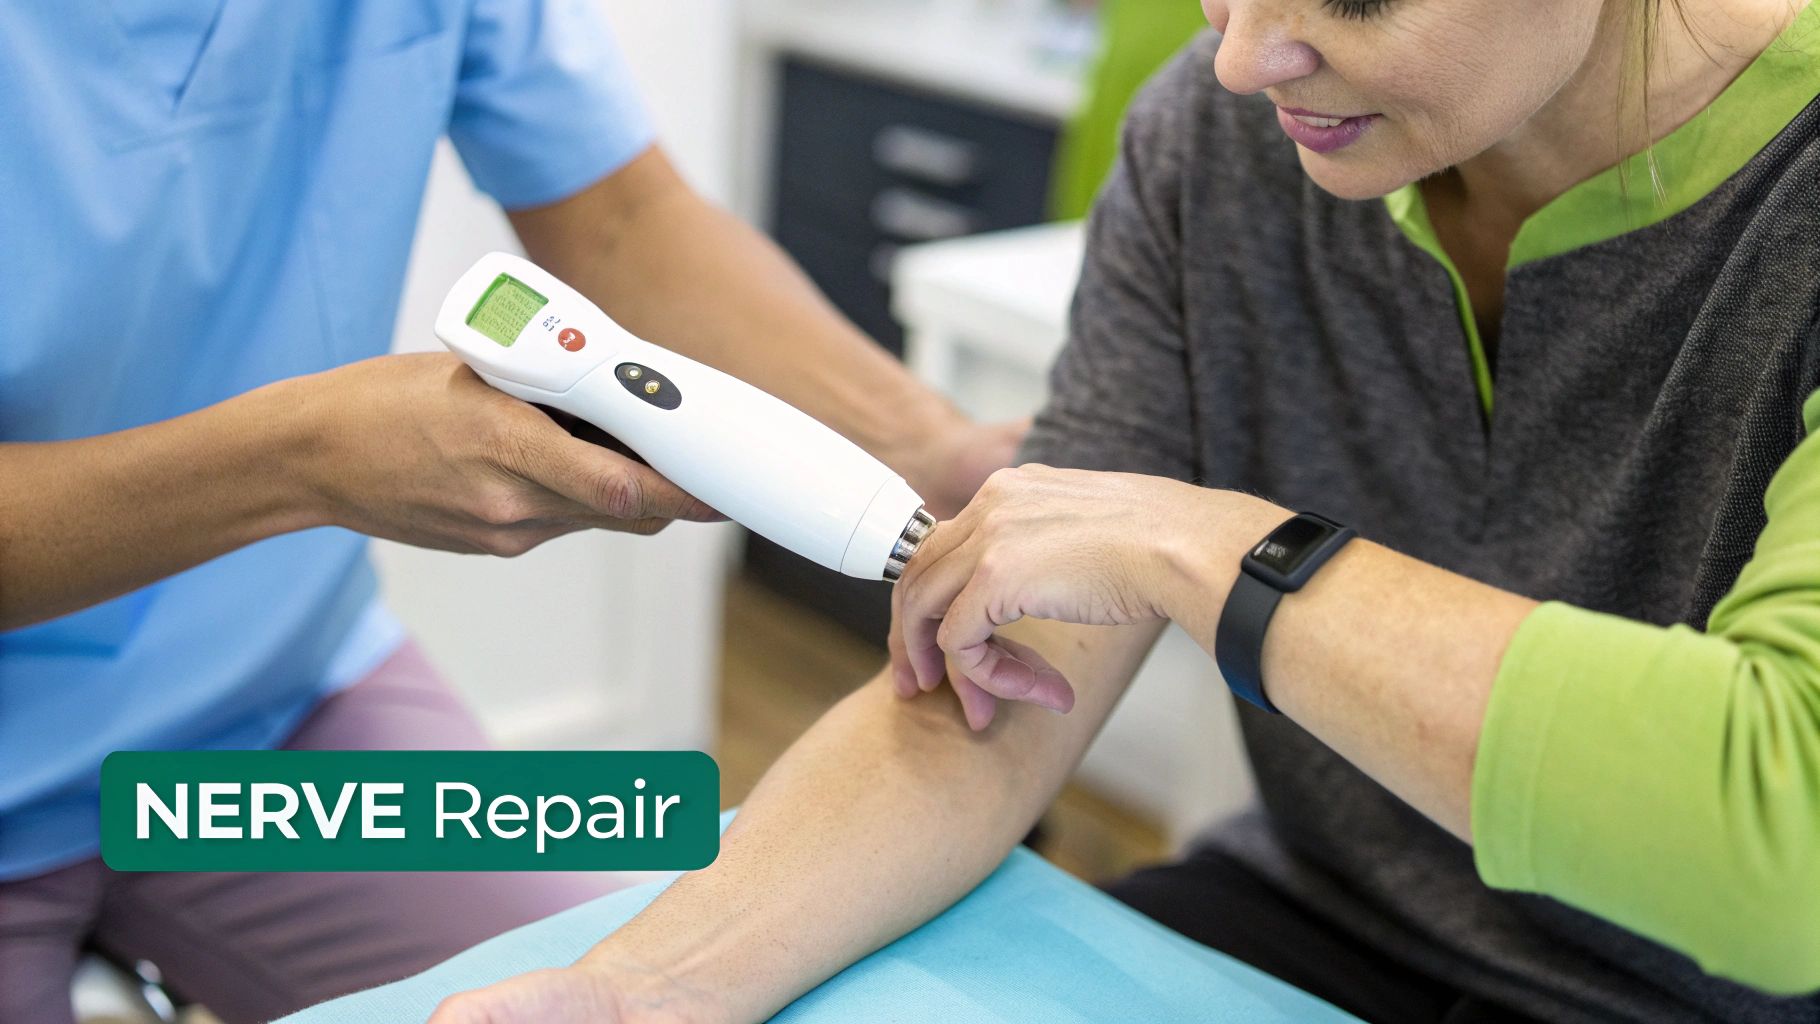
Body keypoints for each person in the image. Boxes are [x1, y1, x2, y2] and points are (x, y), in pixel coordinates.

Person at [433, 0, 1820, 1022]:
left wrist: (1202, 547)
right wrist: (639, 992)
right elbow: (1004, 692)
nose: (1241, 56)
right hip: (1322, 922)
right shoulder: (1218, 143)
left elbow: (1785, 848)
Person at [0, 3, 1018, 1022]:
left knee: (603, 980)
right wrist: (300, 460)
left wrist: (926, 444)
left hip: (283, 702)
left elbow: (621, 217)